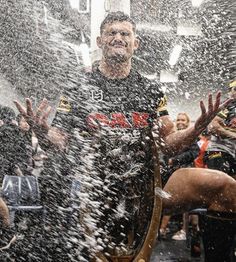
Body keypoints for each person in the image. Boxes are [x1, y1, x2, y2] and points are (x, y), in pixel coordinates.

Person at [14, 12, 236, 261]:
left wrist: (195, 129)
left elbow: (168, 144)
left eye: (125, 33)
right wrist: (43, 132)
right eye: (112, 33)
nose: (118, 37)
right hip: (99, 190)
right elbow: (62, 141)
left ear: (135, 43)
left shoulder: (149, 89)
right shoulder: (80, 86)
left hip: (150, 187)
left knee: (226, 189)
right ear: (99, 41)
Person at [200, 80, 236, 262]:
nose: (234, 93)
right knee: (222, 193)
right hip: (220, 152)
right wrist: (233, 134)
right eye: (233, 90)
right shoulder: (227, 106)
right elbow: (214, 127)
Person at [159, 112, 200, 241]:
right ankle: (162, 229)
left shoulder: (191, 135)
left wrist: (174, 160)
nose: (180, 121)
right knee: (169, 198)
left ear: (188, 122)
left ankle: (185, 231)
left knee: (186, 203)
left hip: (186, 172)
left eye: (183, 119)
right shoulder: (172, 136)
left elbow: (194, 152)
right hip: (173, 173)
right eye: (178, 119)